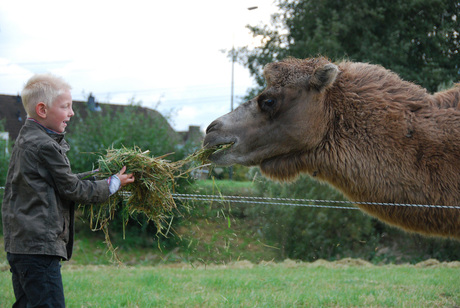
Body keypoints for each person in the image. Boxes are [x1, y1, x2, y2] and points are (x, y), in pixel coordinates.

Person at [2, 73, 135, 307]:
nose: (72, 112)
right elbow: (73, 189)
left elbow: (60, 180)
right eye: (66, 107)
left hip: (22, 246)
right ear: (43, 110)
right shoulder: (45, 146)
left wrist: (97, 176)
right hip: (39, 248)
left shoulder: (27, 139)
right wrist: (112, 184)